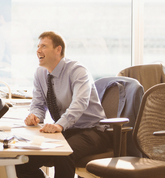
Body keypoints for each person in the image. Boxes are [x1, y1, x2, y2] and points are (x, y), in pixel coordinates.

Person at [15, 31, 111, 178]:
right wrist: (35, 116)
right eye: (38, 46)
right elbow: (38, 104)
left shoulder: (78, 71)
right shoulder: (40, 73)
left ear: (58, 50)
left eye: (44, 46)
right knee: (23, 161)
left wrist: (59, 125)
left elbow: (80, 103)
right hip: (66, 131)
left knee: (64, 154)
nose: (38, 50)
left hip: (93, 131)